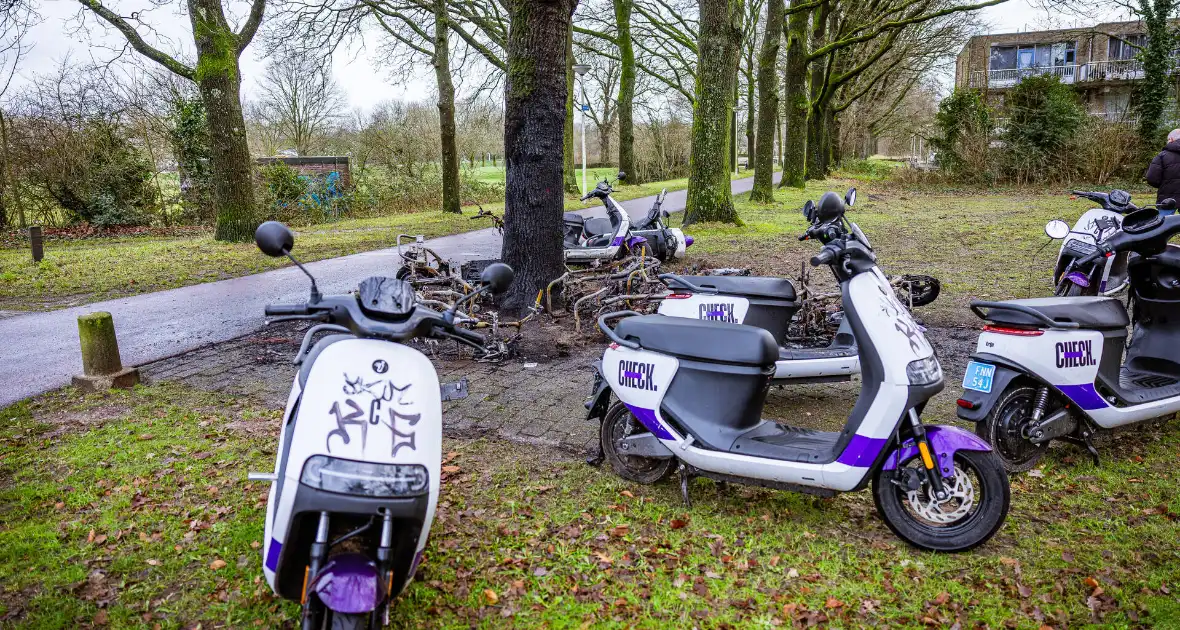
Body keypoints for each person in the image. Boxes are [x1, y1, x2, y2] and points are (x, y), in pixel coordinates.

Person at [1145, 129, 1180, 213]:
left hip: (1167, 198)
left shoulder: (1162, 156)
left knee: (1163, 223)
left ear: (1171, 139)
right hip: (1167, 196)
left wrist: (1165, 184)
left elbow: (1151, 178)